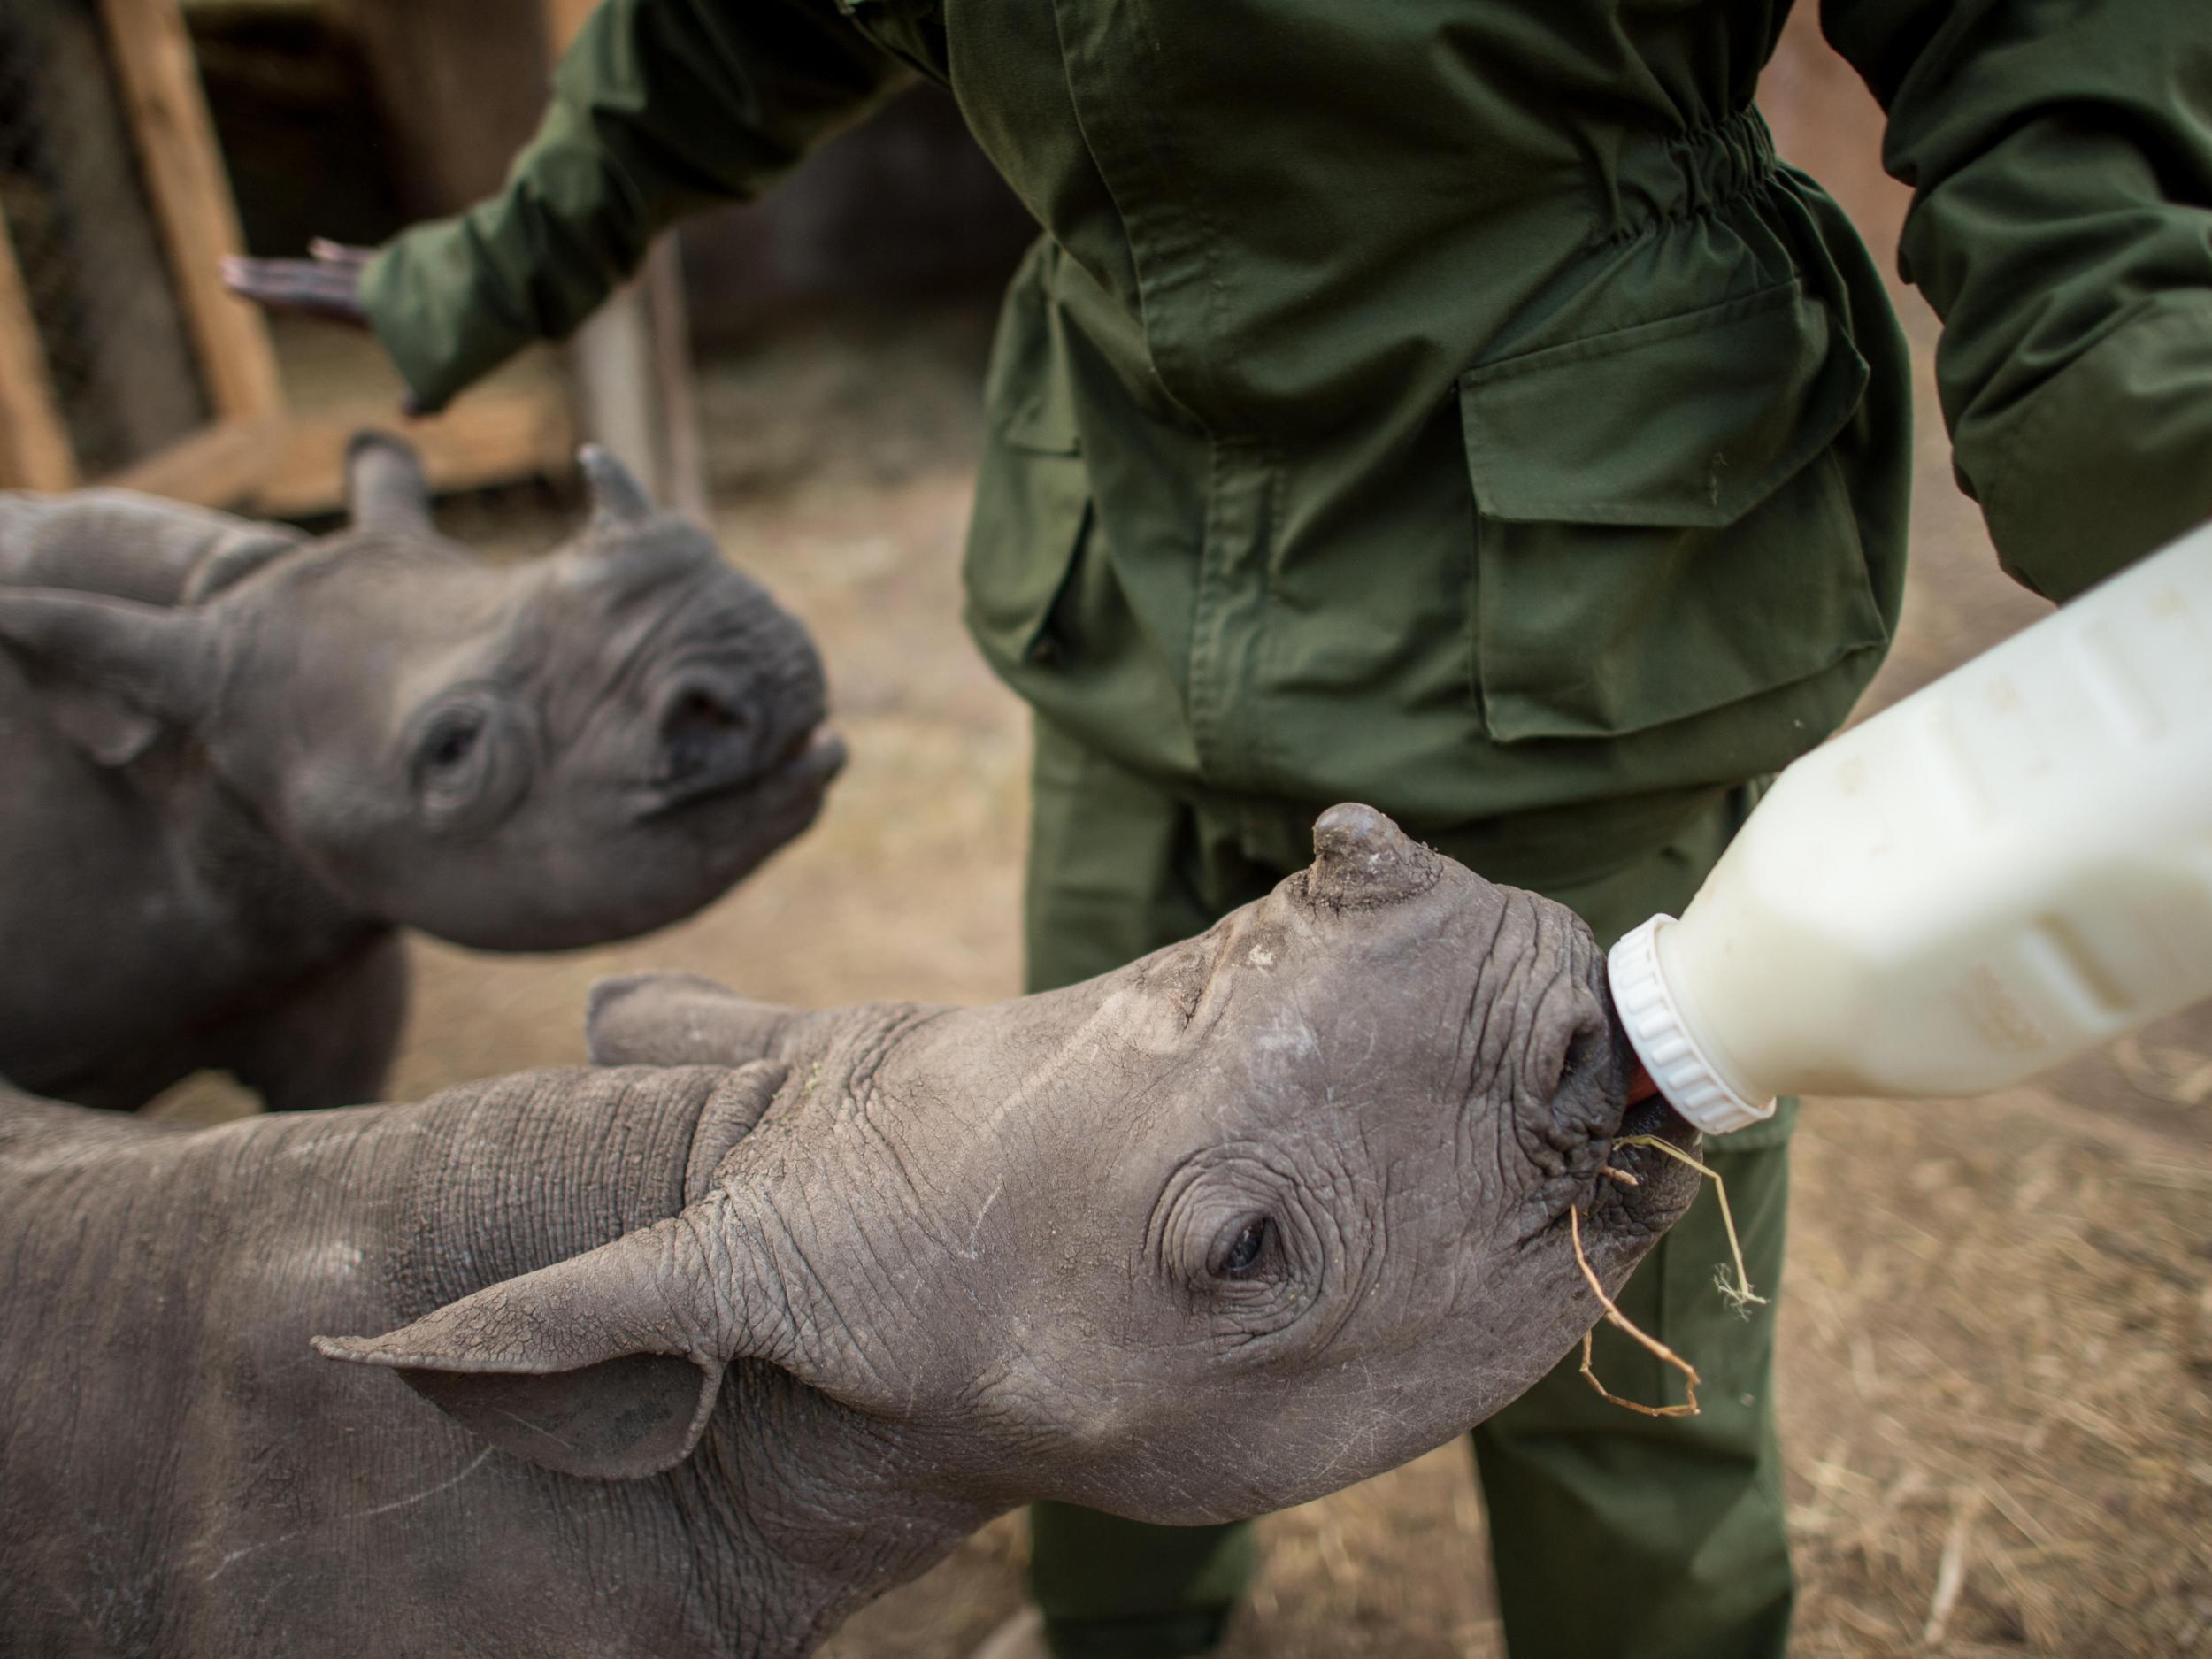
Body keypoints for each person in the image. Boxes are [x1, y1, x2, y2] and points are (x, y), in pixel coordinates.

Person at [227, 4, 2212, 1655]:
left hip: (1577, 599)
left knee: (1604, 1288)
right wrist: (482, 263)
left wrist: (2129, 393)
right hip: (1143, 558)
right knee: (1067, 1219)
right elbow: (740, 24)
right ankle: (1121, 1629)